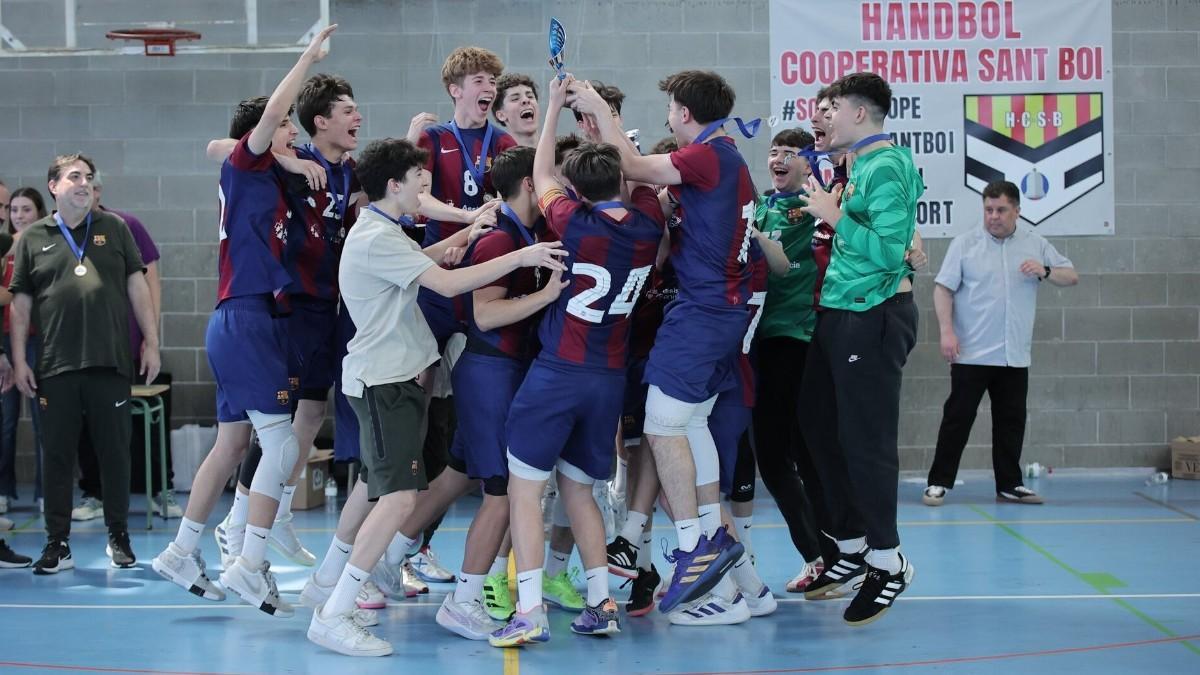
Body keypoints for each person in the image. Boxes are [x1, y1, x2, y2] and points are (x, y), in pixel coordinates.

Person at [304, 137, 564, 657]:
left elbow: (417, 263)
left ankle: (331, 585)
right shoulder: (377, 237)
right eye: (419, 180)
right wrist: (524, 254)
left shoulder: (383, 232)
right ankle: (334, 610)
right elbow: (445, 287)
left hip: (395, 381)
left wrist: (465, 234)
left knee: (386, 491)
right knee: (396, 497)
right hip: (384, 382)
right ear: (394, 185)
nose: (426, 187)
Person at [151, 26, 338, 613]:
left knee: (232, 444)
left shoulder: (270, 176)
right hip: (250, 315)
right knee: (281, 446)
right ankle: (249, 559)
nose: (292, 133)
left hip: (241, 318)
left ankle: (183, 548)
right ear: (261, 134)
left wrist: (293, 158)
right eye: (286, 127)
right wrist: (306, 56)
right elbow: (256, 126)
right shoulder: (248, 163)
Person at [571, 70, 756, 616]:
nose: (669, 118)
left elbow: (630, 167)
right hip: (718, 312)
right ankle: (708, 540)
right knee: (688, 422)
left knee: (660, 424)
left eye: (672, 109)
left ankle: (696, 545)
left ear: (684, 112)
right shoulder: (725, 156)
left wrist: (598, 109)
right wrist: (607, 124)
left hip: (703, 313)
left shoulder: (708, 155)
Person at [489, 75, 663, 648]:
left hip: (558, 373)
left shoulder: (574, 223)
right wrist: (599, 123)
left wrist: (556, 110)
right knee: (581, 492)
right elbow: (634, 170)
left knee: (524, 491)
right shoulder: (647, 225)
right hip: (608, 380)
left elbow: (540, 175)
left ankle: (531, 610)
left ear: (578, 192)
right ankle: (600, 602)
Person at [795, 72, 923, 626]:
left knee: (865, 442)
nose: (823, 116)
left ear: (861, 114)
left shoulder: (887, 164)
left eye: (833, 108)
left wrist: (834, 215)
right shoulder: (856, 165)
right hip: (839, 312)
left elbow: (893, 254)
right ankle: (849, 546)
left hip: (872, 316)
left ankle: (888, 560)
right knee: (815, 426)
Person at [10, 153, 159, 575]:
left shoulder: (115, 229)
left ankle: (119, 537)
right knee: (56, 456)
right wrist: (20, 358)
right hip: (55, 367)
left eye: (89, 177)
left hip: (110, 362)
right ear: (53, 186)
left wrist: (151, 340)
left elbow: (138, 284)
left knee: (115, 454)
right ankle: (57, 543)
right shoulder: (33, 237)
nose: (84, 183)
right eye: (74, 176)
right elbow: (21, 304)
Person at [924, 180, 1077, 506]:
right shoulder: (965, 244)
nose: (993, 216)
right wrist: (946, 331)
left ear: (1017, 211)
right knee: (957, 420)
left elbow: (1071, 275)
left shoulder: (1035, 243)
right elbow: (942, 289)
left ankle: (1010, 484)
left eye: (1001, 210)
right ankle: (938, 482)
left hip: (1014, 355)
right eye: (988, 209)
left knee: (1011, 423)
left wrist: (1046, 270)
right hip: (971, 353)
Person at [73, 172, 175, 520]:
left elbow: (151, 282)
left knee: (140, 421)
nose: (85, 191)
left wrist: (151, 338)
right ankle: (94, 494)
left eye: (91, 185)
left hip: (127, 343)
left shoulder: (126, 225)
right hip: (83, 348)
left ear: (99, 190)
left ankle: (161, 490)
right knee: (87, 422)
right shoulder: (59, 233)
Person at [0, 188, 46, 516]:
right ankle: (4, 491)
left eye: (25, 209)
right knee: (6, 420)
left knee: (45, 420)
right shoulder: (4, 249)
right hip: (5, 340)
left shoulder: (44, 246)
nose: (17, 215)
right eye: (13, 209)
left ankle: (47, 493)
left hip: (38, 339)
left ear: (39, 212)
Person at [492, 73, 540, 148]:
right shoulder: (497, 158)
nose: (526, 100)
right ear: (501, 115)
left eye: (530, 96)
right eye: (515, 99)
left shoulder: (560, 153)